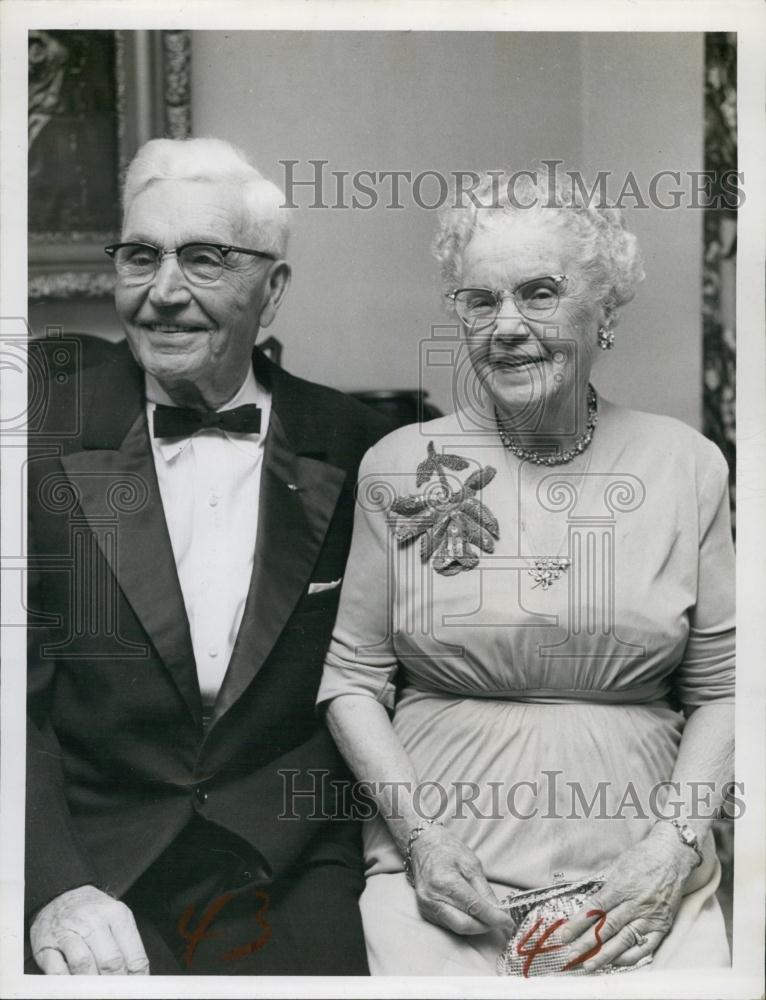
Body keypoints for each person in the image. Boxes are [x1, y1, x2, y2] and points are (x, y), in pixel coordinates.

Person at [317, 168, 735, 976]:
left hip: (644, 892)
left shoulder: (686, 464)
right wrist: (422, 843)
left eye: (538, 293)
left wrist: (673, 848)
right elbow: (351, 681)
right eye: (480, 301)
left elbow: (727, 688)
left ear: (605, 306)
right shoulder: (401, 464)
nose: (505, 326)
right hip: (440, 890)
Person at [25, 137, 390, 976]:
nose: (163, 294)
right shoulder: (37, 434)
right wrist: (52, 885)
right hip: (92, 852)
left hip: (287, 863)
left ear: (273, 289)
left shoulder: (362, 448)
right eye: (141, 257)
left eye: (204, 260)